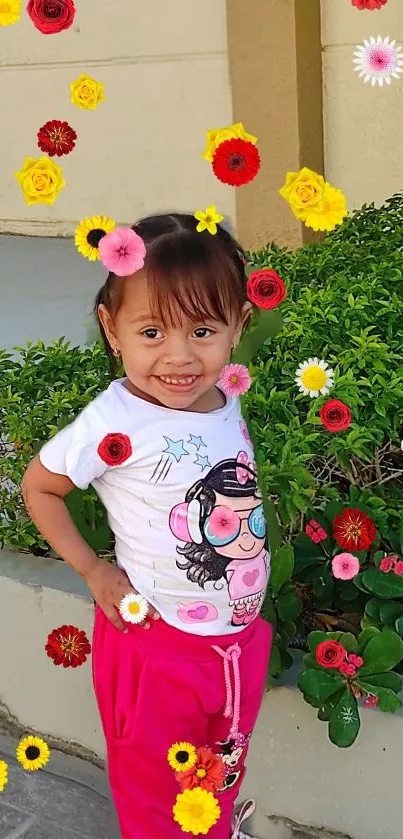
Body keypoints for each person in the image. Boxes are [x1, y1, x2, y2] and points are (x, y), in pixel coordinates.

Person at [22, 212, 273, 839]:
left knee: (216, 777)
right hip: (156, 650)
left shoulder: (222, 396)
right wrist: (92, 568)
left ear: (239, 324)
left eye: (204, 330)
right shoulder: (113, 422)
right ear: (113, 329)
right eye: (153, 331)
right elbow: (42, 487)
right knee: (157, 799)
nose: (180, 357)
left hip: (235, 646)